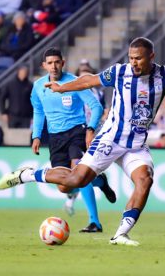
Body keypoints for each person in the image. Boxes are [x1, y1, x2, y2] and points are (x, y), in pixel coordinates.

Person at [0, 37, 165, 246]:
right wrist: (63, 87)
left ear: (151, 57)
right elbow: (90, 80)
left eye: (138, 58)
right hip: (110, 138)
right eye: (131, 58)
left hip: (136, 144)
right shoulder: (119, 72)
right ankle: (29, 175)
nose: (133, 63)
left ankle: (121, 233)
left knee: (145, 180)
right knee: (74, 181)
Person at [14, 47, 116, 233]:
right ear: (44, 65)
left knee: (77, 173)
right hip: (55, 138)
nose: (54, 66)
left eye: (57, 62)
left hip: (77, 132)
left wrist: (90, 130)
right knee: (63, 186)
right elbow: (38, 111)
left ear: (63, 63)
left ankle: (95, 222)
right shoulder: (38, 87)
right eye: (50, 63)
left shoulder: (75, 82)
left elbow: (96, 107)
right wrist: (36, 135)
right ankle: (100, 181)